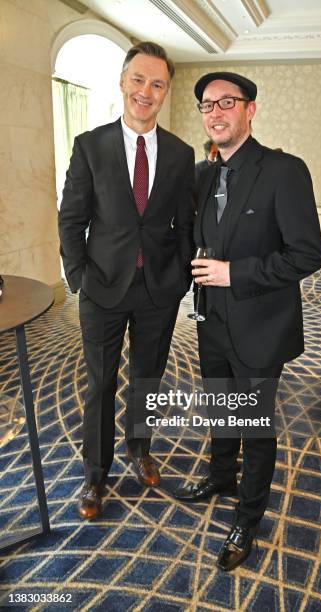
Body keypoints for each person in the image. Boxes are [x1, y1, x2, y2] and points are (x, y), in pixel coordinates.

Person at [174, 71, 321, 571]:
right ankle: (221, 473)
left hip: (260, 329)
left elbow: (307, 255)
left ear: (250, 109)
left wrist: (233, 272)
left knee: (255, 427)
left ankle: (248, 517)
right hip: (210, 321)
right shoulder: (203, 175)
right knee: (221, 408)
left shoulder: (284, 170)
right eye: (207, 105)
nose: (215, 112)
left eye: (227, 102)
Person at [59, 42, 195, 520]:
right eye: (138, 80)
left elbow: (186, 225)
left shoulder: (181, 154)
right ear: (122, 82)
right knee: (100, 383)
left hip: (158, 289)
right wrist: (77, 276)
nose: (146, 91)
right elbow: (71, 220)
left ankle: (140, 448)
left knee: (147, 380)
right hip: (102, 287)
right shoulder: (90, 146)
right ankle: (95, 475)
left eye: (157, 84)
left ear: (165, 92)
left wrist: (180, 278)